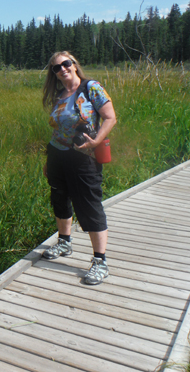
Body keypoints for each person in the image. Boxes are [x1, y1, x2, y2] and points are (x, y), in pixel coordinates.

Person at [41, 51, 116, 285]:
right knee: (59, 198)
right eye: (56, 67)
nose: (62, 69)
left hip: (83, 156)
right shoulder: (60, 95)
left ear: (74, 65)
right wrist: (48, 159)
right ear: (54, 74)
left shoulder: (90, 87)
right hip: (58, 154)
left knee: (89, 203)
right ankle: (64, 242)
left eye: (66, 64)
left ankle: (100, 262)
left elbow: (110, 117)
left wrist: (96, 142)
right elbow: (57, 129)